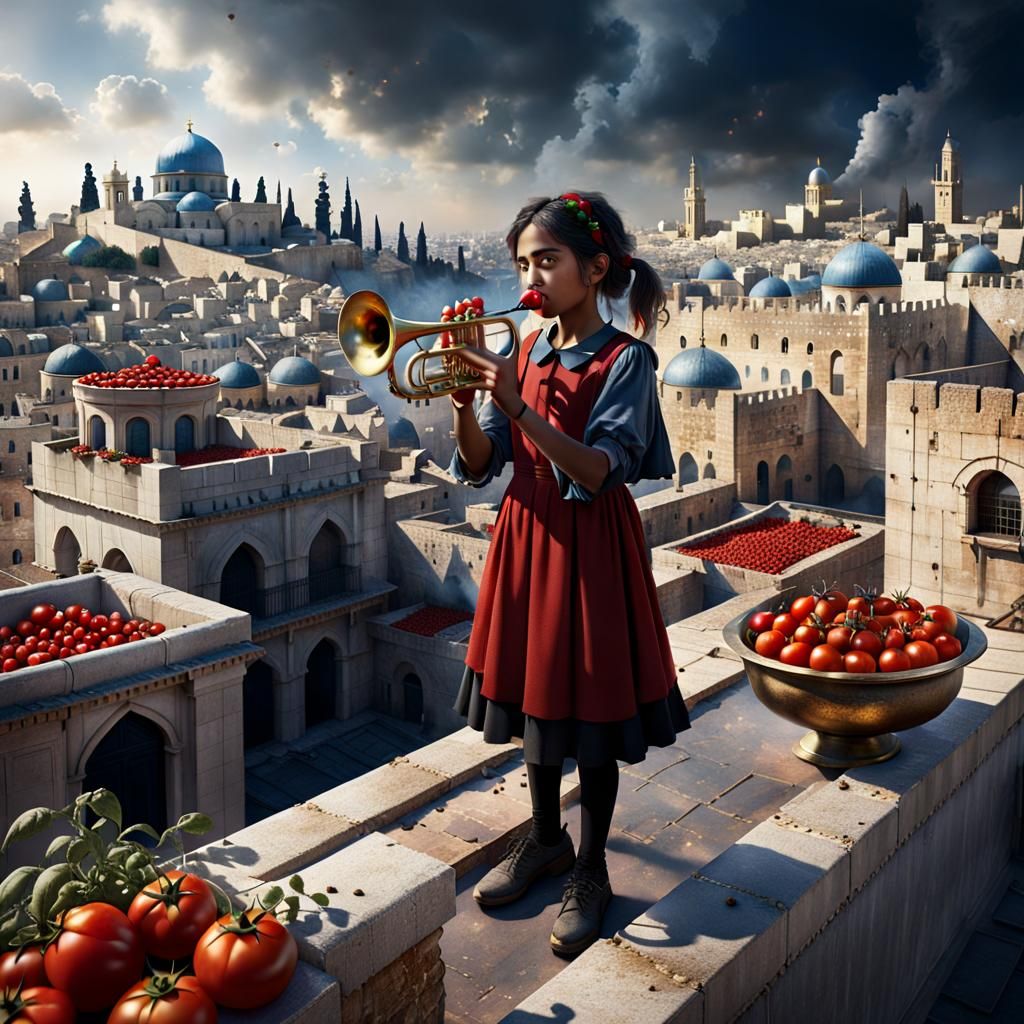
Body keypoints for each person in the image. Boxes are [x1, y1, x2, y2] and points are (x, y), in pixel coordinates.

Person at [446, 191, 691, 957]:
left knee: (590, 707)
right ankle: (545, 838)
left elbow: (599, 470)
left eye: (546, 260)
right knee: (538, 699)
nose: (532, 277)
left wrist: (518, 410)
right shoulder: (523, 348)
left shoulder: (627, 360)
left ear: (595, 268)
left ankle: (591, 868)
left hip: (588, 544)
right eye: (523, 263)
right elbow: (482, 465)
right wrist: (463, 405)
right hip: (528, 537)